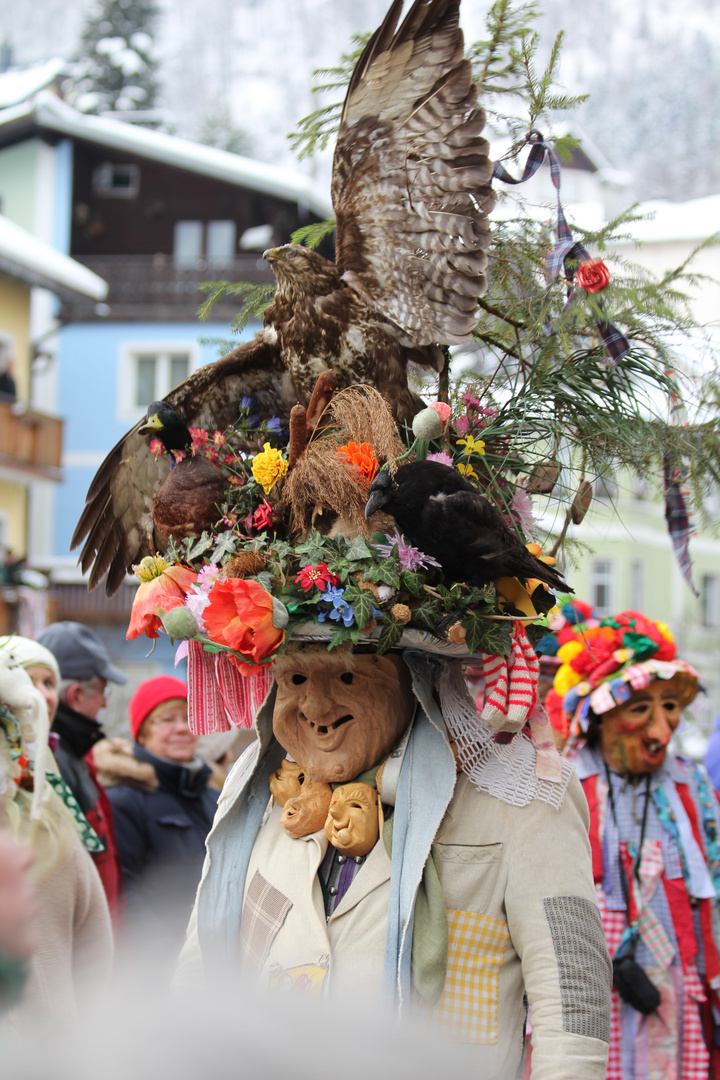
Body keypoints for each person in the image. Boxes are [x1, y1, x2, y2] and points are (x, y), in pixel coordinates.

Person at [177, 637, 611, 1079]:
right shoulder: (256, 790)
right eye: (296, 678)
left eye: (348, 677)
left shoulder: (519, 791)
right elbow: (200, 966)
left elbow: (573, 996)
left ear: (420, 678)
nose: (316, 707)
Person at [553, 609, 720, 1078]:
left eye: (669, 706)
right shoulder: (565, 784)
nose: (661, 728)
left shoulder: (691, 785)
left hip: (670, 982)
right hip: (584, 981)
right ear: (602, 718)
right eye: (640, 708)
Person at [0, 635, 113, 1034]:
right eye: (28, 683)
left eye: (49, 683)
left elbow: (93, 940)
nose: (39, 697)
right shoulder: (34, 809)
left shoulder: (49, 798)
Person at [103, 676, 218, 967]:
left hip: (215, 958)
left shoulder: (216, 796)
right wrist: (173, 957)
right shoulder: (122, 800)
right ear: (141, 734)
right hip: (161, 965)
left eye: (188, 717)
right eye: (166, 719)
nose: (181, 728)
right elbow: (124, 892)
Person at [37, 622, 125, 924]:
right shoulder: (53, 763)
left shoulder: (68, 753)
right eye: (102, 691)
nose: (104, 702)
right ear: (75, 695)